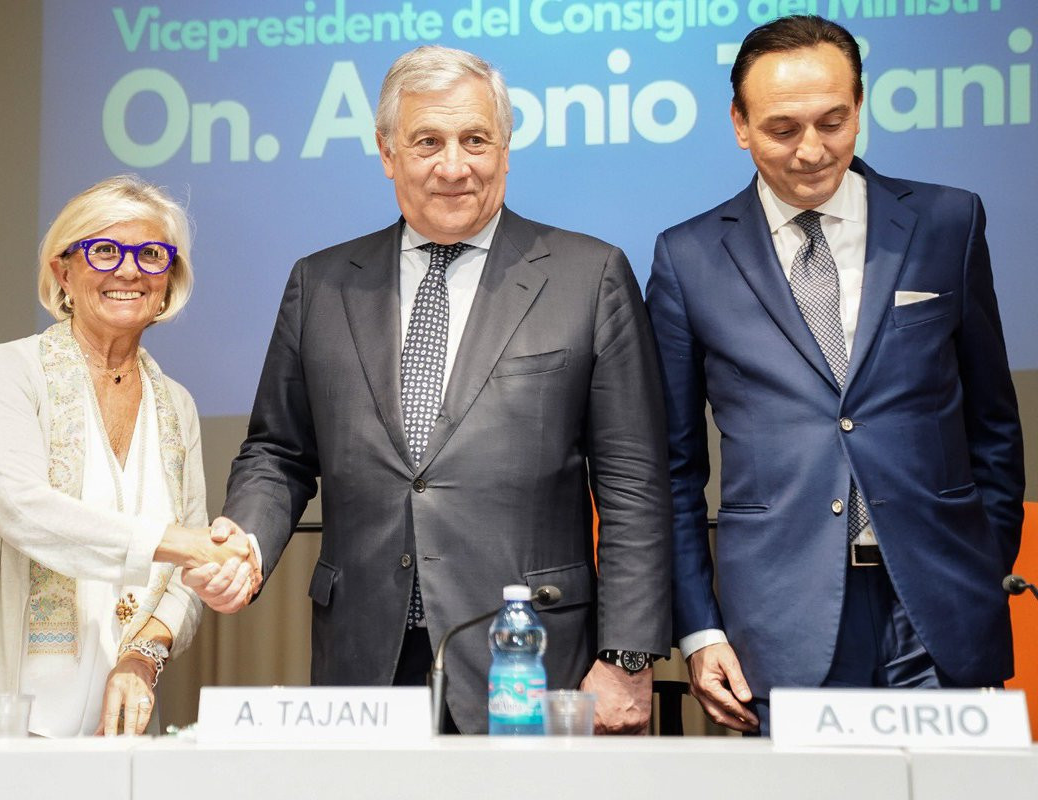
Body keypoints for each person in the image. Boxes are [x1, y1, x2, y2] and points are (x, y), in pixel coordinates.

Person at [190, 45, 672, 734]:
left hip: (527, 655)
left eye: (475, 140)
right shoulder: (320, 284)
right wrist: (247, 543)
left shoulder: (589, 277)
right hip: (364, 656)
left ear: (505, 149)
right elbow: (278, 452)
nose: (453, 166)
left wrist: (626, 656)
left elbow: (634, 483)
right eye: (427, 142)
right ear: (387, 152)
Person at [645, 15, 1025, 734]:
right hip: (777, 622)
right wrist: (700, 628)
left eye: (833, 121)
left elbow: (994, 426)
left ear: (860, 106)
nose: (813, 150)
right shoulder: (687, 258)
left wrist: (979, 567)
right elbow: (672, 468)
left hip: (941, 605)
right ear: (739, 124)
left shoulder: (948, 222)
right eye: (783, 128)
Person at [0, 176, 251, 737]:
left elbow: (184, 582)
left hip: (117, 726)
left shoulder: (177, 405)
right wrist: (183, 543)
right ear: (64, 273)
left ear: (168, 281)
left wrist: (143, 658)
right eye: (104, 250)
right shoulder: (9, 370)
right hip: (0, 709)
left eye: (151, 255)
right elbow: (22, 509)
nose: (129, 271)